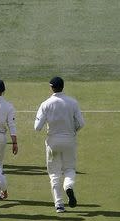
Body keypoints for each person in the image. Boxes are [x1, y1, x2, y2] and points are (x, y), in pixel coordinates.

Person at [34, 77, 85, 213]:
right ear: (63, 87)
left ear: (51, 87)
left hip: (52, 143)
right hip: (69, 140)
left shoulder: (45, 104)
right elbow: (81, 123)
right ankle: (68, 186)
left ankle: (59, 204)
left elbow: (37, 127)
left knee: (54, 173)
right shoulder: (73, 102)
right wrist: (72, 131)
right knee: (69, 169)